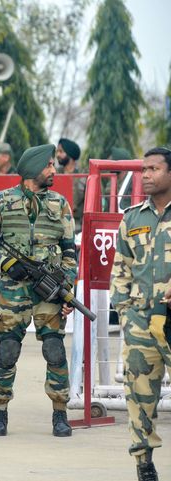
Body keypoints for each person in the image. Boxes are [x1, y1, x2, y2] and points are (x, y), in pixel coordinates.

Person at [0, 144, 76, 437]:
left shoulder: (60, 204)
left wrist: (65, 287)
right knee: (7, 350)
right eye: (48, 166)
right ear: (33, 168)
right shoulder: (2, 202)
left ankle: (60, 413)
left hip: (49, 290)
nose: (53, 170)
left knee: (54, 350)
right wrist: (6, 262)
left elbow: (70, 251)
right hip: (14, 289)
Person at [110, 146, 171, 481]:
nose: (145, 175)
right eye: (143, 169)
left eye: (153, 169)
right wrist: (126, 312)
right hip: (140, 324)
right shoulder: (132, 217)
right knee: (139, 398)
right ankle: (143, 464)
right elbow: (121, 269)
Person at [56, 138, 85, 234]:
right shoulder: (55, 174)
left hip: (78, 227)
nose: (57, 155)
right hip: (56, 224)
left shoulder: (83, 175)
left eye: (61, 152)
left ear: (70, 154)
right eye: (57, 152)